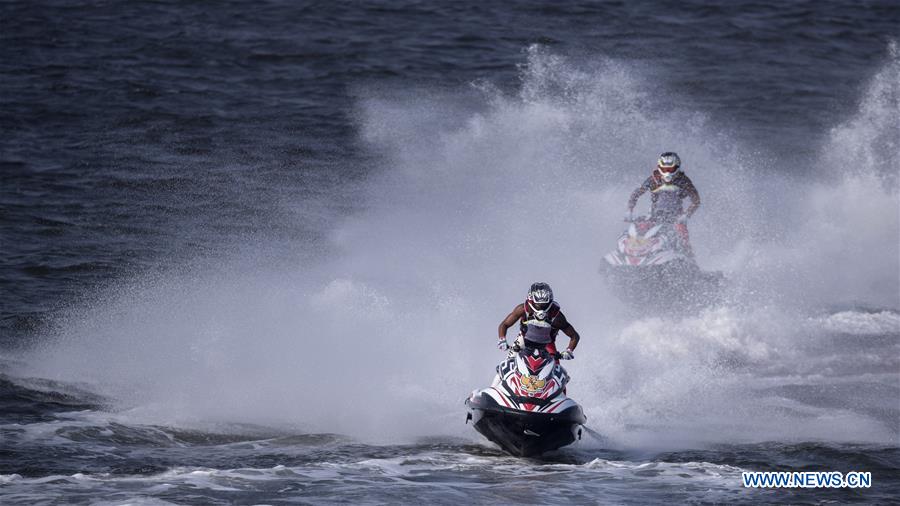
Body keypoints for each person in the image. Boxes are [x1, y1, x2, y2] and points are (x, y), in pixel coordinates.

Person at [626, 152, 700, 257]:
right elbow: (637, 193)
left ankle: (687, 258)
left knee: (681, 232)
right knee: (639, 228)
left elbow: (696, 200)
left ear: (677, 168)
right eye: (664, 169)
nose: (667, 173)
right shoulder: (653, 179)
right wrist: (629, 210)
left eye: (670, 169)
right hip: (654, 215)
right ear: (659, 167)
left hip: (676, 216)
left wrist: (686, 215)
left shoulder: (683, 181)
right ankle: (631, 254)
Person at [497, 282, 580, 360]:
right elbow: (505, 324)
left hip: (547, 344)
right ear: (531, 301)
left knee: (556, 369)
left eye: (544, 305)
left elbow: (574, 336)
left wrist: (569, 351)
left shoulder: (557, 316)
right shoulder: (522, 309)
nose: (541, 308)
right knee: (508, 363)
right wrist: (502, 340)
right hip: (523, 340)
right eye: (538, 305)